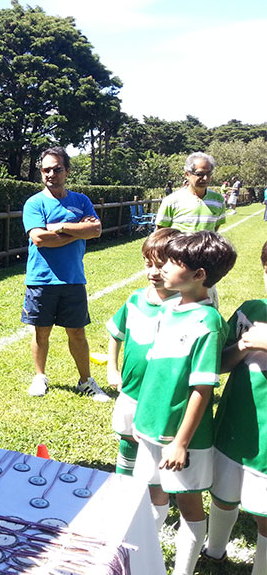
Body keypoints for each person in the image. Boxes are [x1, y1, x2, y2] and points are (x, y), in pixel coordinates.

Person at [131, 230, 237, 575]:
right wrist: (141, 416)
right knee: (148, 492)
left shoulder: (208, 323)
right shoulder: (168, 308)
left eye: (173, 263)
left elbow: (201, 389)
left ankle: (183, 570)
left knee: (189, 504)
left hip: (181, 439)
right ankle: (143, 556)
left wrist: (181, 442)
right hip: (149, 423)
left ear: (199, 275)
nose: (162, 269)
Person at [21, 147, 107, 400]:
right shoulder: (34, 203)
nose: (51, 174)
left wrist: (58, 228)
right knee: (41, 331)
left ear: (67, 171)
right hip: (41, 279)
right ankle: (40, 377)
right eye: (46, 169)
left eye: (57, 169)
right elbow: (38, 238)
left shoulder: (81, 200)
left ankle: (85, 381)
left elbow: (96, 230)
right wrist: (78, 230)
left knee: (77, 332)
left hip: (73, 278)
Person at [202, 240, 267, 572]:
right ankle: (214, 551)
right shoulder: (251, 310)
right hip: (235, 423)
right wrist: (243, 343)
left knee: (264, 511)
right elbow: (221, 363)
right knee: (223, 492)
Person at [106, 228, 181, 476]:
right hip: (131, 389)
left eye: (160, 266)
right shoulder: (135, 299)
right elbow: (116, 333)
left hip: (163, 396)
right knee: (127, 438)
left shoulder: (186, 308)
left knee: (157, 446)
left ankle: (156, 493)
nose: (152, 272)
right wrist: (113, 369)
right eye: (148, 264)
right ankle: (122, 484)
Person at [155, 152, 226, 233]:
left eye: (209, 174)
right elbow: (161, 233)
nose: (205, 178)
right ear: (187, 175)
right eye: (200, 174)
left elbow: (215, 228)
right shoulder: (171, 201)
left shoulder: (218, 200)